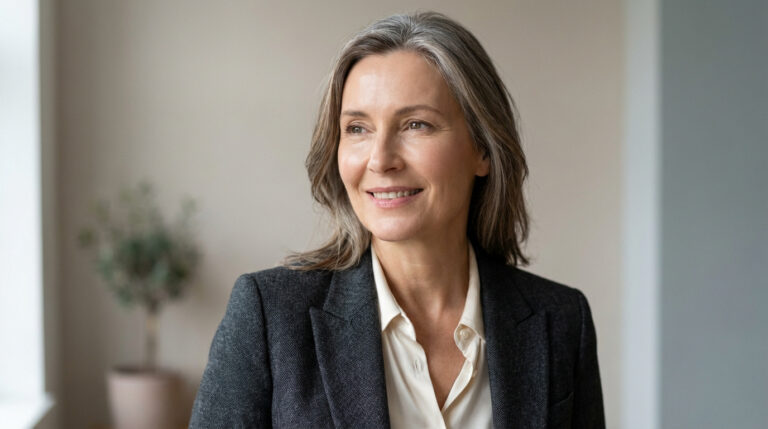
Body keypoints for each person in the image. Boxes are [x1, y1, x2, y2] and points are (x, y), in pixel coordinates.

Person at [189, 11, 605, 429]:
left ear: (483, 149)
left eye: (415, 124)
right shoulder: (269, 316)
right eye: (357, 128)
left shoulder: (562, 321)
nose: (381, 159)